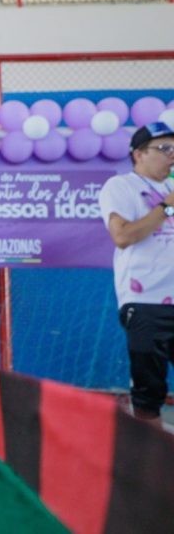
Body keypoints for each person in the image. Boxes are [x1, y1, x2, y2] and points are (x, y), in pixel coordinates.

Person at [99, 121, 174, 424]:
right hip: (147, 303)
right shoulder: (121, 187)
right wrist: (166, 208)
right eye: (164, 149)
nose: (172, 156)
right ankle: (148, 467)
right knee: (149, 393)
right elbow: (123, 236)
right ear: (138, 154)